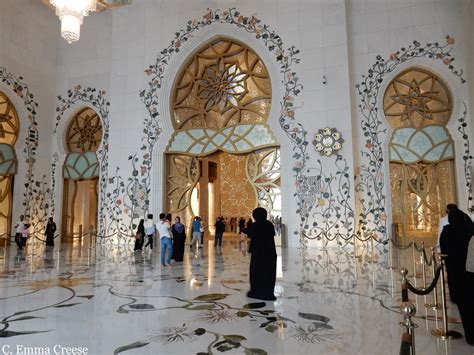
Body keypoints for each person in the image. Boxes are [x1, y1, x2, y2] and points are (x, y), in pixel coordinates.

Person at [440, 207, 474, 345]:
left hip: (457, 268)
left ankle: (471, 334)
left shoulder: (448, 230)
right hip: (469, 270)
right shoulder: (469, 227)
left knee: (464, 302)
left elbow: (443, 247)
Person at [246, 207, 277, 301]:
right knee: (269, 272)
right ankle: (268, 292)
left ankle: (256, 292)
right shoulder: (269, 224)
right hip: (270, 253)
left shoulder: (255, 225)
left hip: (258, 254)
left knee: (257, 272)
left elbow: (251, 234)